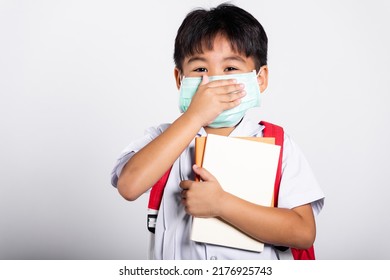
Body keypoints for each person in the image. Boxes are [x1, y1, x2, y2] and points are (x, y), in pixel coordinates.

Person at [111, 3, 325, 260]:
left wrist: (222, 204)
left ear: (260, 79)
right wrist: (195, 116)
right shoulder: (162, 139)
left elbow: (302, 232)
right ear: (180, 79)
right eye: (200, 69)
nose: (212, 82)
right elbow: (129, 186)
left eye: (230, 69)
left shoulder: (279, 145)